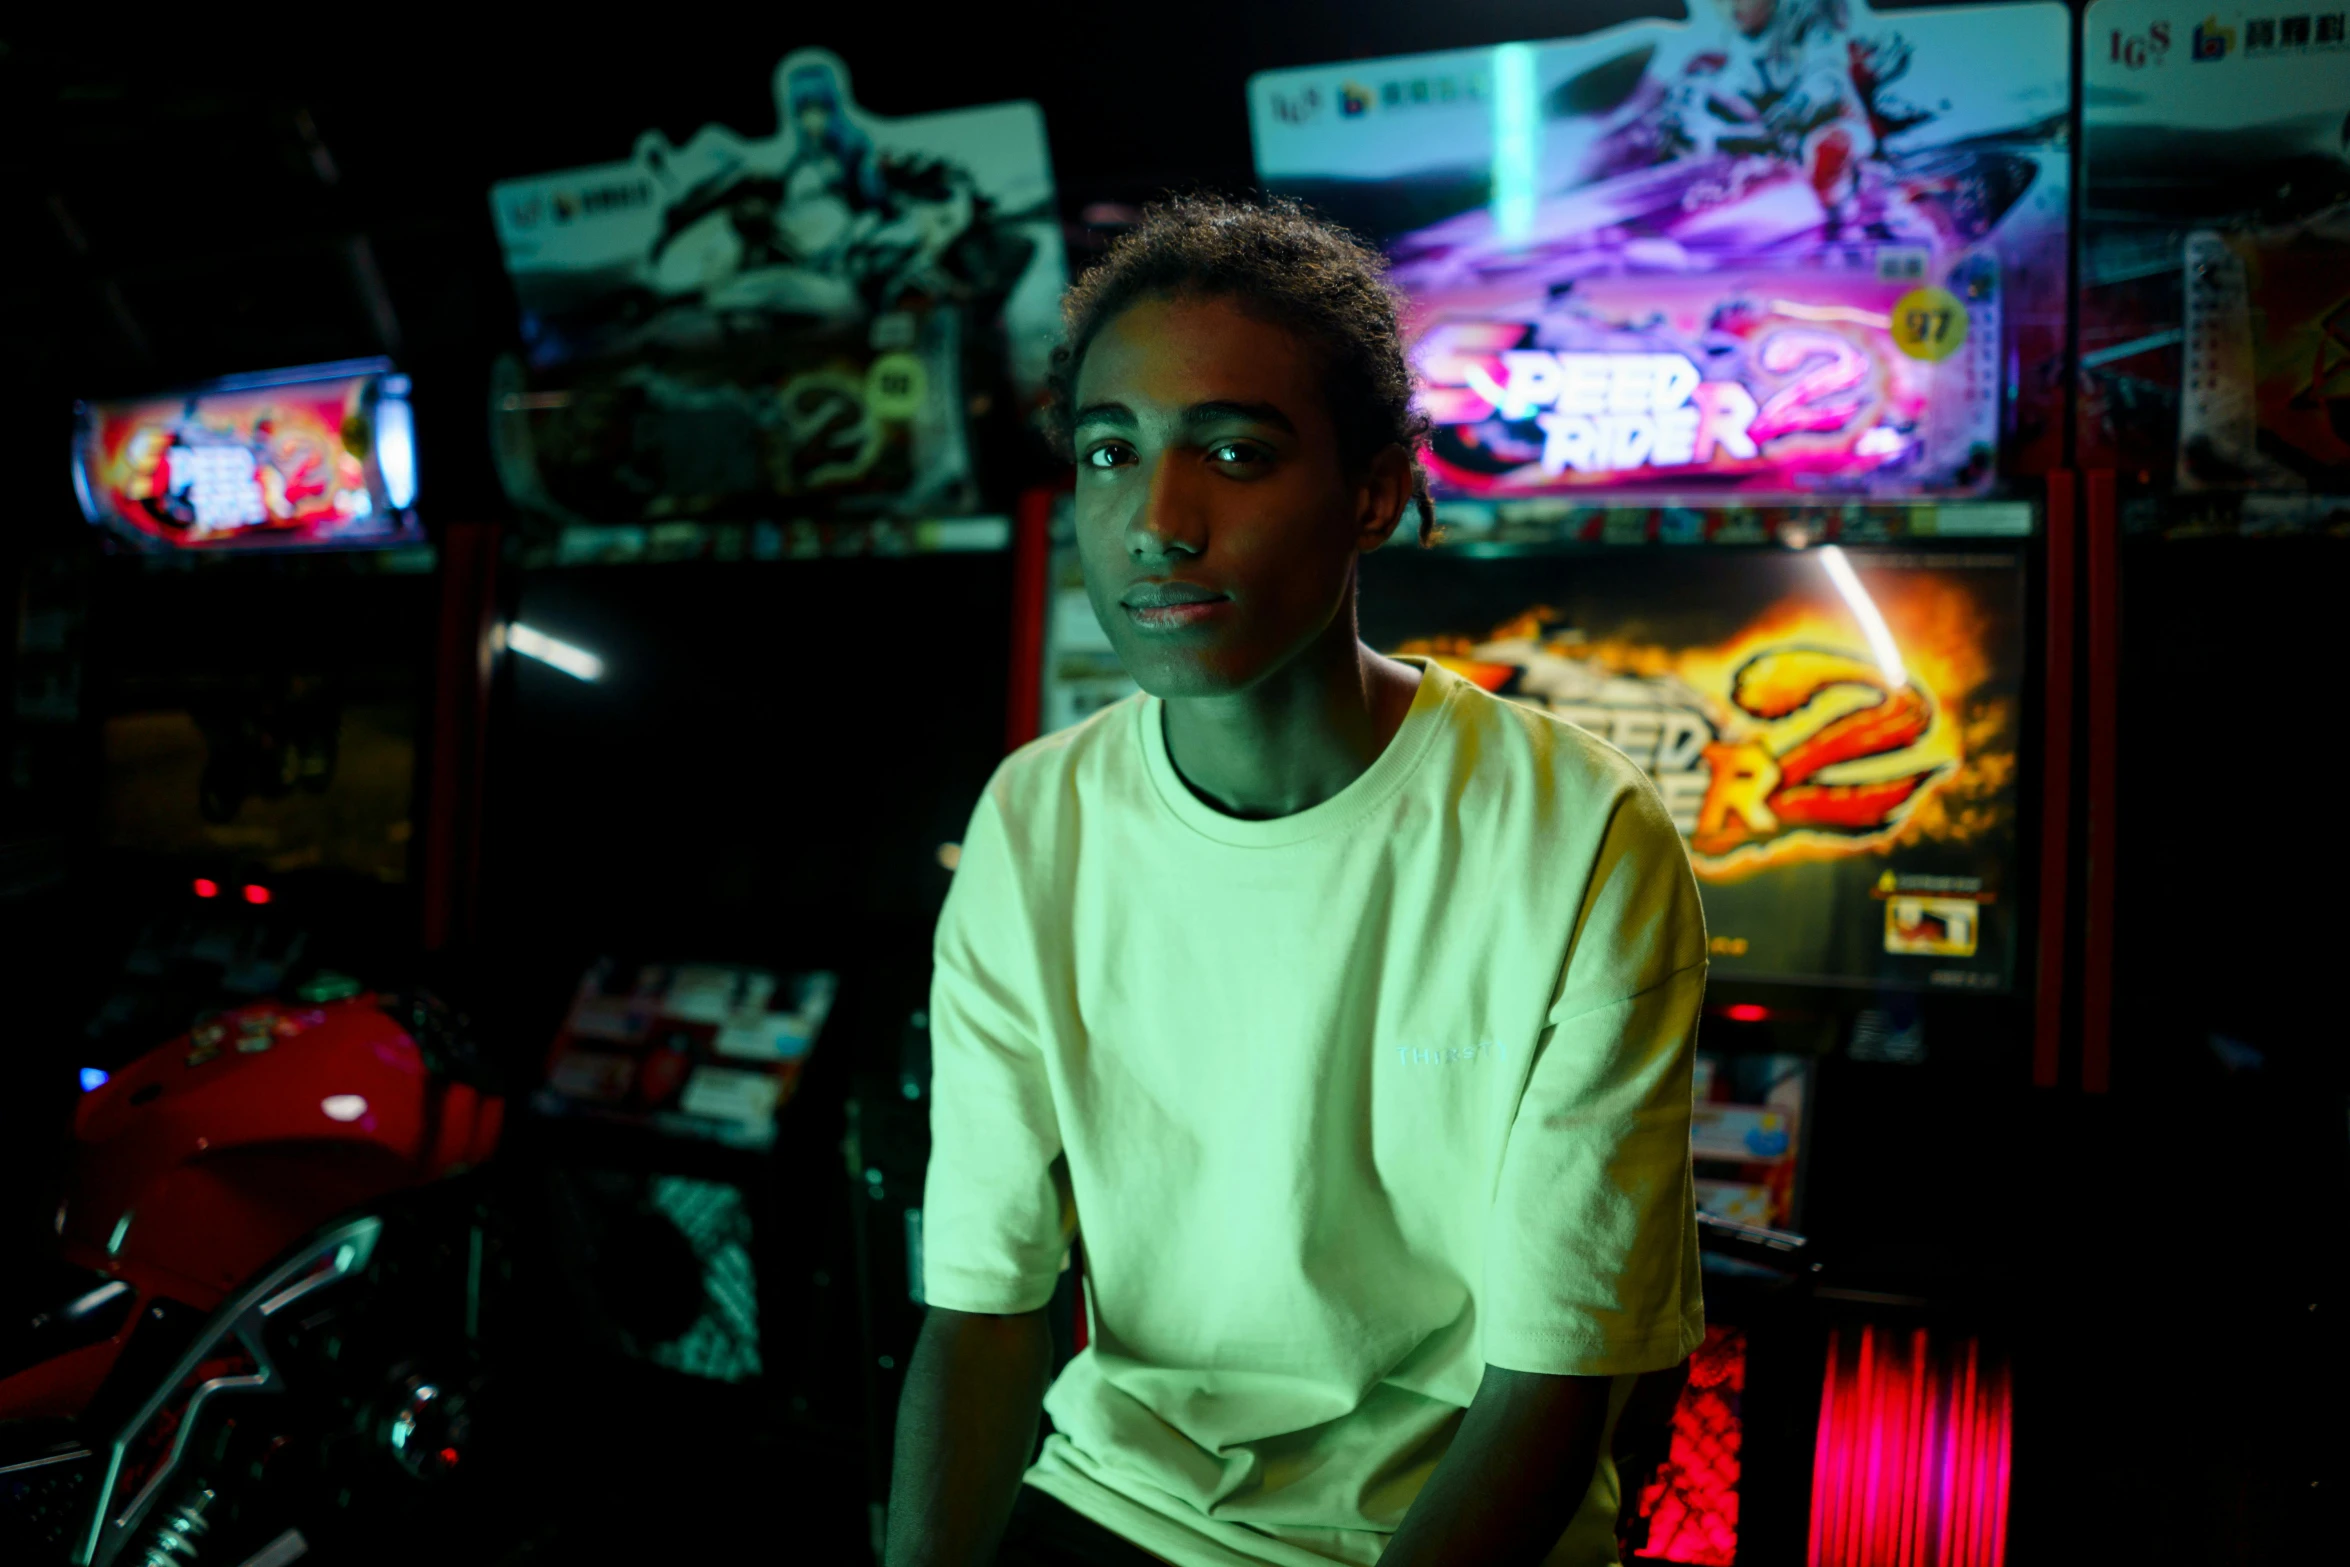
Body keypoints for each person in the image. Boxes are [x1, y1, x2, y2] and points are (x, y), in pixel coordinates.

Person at [887, 195, 1706, 1567]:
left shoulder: (1580, 832)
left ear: (1374, 489)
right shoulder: (1036, 818)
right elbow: (979, 1310)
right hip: (1117, 1497)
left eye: (1231, 451)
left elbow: (1557, 1386)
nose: (1155, 520)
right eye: (1109, 449)